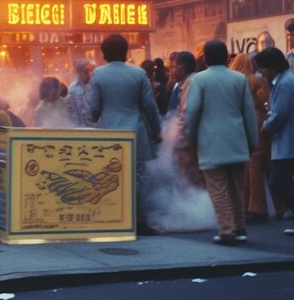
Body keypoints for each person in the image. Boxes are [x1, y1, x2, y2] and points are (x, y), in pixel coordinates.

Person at [185, 40, 258, 245]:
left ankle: (226, 230)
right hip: (237, 139)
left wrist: (191, 138)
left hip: (210, 140)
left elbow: (192, 112)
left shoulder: (199, 80)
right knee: (237, 188)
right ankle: (240, 228)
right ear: (227, 57)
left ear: (205, 58)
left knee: (218, 188)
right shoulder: (239, 79)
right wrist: (253, 141)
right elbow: (249, 114)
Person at [90, 34, 162, 236]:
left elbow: (94, 108)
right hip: (136, 132)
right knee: (139, 177)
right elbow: (149, 105)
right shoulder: (138, 74)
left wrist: (97, 117)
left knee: (110, 176)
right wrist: (157, 130)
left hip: (110, 134)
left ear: (104, 53)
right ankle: (140, 220)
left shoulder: (98, 74)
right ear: (126, 52)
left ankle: (112, 217)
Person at [229, 53, 283, 222]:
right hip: (259, 124)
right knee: (265, 166)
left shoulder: (234, 82)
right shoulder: (256, 81)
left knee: (251, 168)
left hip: (242, 126)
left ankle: (253, 207)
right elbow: (267, 103)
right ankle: (280, 206)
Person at [254, 47, 294, 234]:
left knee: (277, 181)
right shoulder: (284, 81)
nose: (262, 72)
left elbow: (280, 113)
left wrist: (267, 125)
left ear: (272, 67)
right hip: (287, 138)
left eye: (263, 68)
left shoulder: (285, 83)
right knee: (282, 180)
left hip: (288, 139)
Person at [170, 51, 204, 188]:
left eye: (173, 66)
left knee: (191, 178)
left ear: (182, 69)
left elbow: (187, 115)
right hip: (189, 140)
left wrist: (173, 137)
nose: (171, 71)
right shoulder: (188, 83)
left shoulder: (192, 84)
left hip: (189, 143)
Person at [66, 58, 96, 127]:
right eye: (86, 72)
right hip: (80, 129)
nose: (89, 74)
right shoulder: (72, 89)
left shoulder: (95, 86)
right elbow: (71, 112)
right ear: (78, 73)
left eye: (90, 71)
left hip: (95, 129)